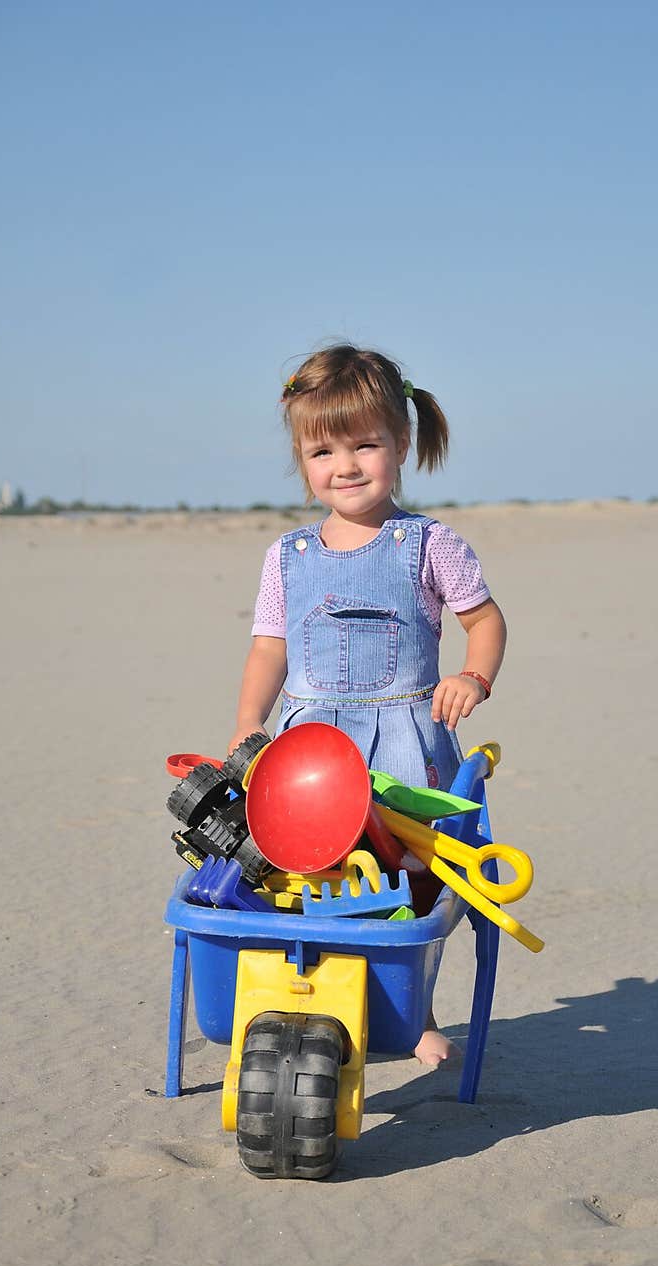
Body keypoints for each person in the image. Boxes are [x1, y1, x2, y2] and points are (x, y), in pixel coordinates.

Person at [228, 343, 507, 1067]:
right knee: (305, 876)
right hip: (310, 741)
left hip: (407, 738)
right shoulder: (286, 555)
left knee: (411, 882)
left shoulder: (429, 544)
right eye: (322, 450)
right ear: (301, 457)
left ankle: (413, 1015)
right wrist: (247, 723)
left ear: (402, 442)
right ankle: (306, 995)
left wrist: (473, 679)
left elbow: (485, 621)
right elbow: (268, 648)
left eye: (364, 444)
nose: (344, 465)